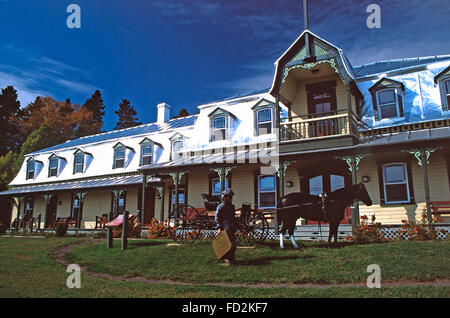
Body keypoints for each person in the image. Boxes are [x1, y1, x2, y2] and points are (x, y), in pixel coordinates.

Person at [215, 188, 238, 265]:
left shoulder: (232, 207)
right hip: (224, 228)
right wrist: (219, 228)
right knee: (226, 245)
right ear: (224, 197)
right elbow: (217, 218)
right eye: (229, 197)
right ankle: (227, 260)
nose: (230, 199)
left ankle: (232, 259)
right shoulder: (220, 207)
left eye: (231, 197)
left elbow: (233, 217)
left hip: (231, 227)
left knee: (233, 244)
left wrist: (235, 226)